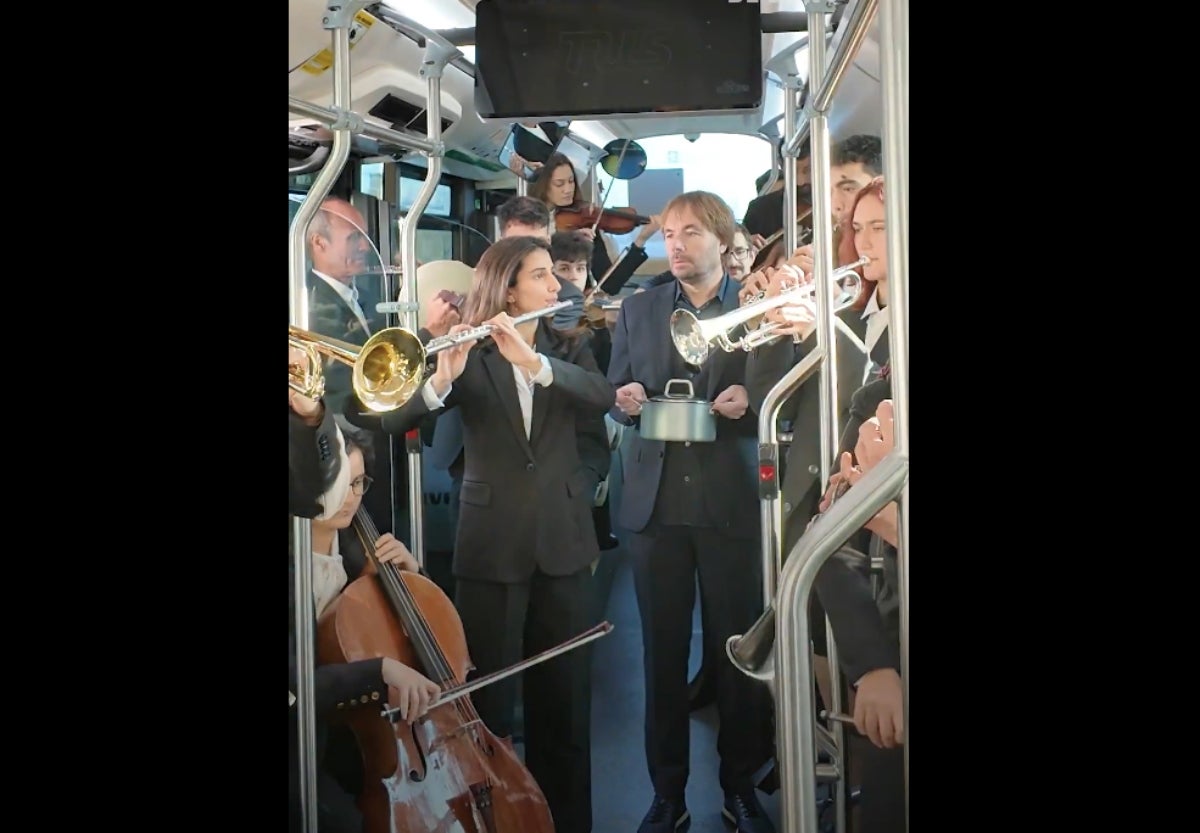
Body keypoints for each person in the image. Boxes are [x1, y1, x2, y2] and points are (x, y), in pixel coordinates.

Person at [347, 234, 615, 833]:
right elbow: (386, 418)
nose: (556, 285)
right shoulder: (468, 347)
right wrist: (441, 379)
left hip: (564, 542)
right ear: (509, 289)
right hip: (491, 545)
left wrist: (537, 366)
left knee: (567, 709)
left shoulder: (570, 344)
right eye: (541, 275)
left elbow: (602, 399)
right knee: (485, 707)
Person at [607, 190, 775, 833]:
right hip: (656, 505)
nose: (675, 246)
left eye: (690, 234)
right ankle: (667, 794)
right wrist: (625, 399)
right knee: (662, 655)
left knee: (736, 653)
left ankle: (740, 785)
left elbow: (780, 389)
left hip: (729, 499)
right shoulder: (640, 308)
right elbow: (619, 389)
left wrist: (751, 399)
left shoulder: (755, 306)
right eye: (669, 235)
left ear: (723, 242)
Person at [288, 373, 441, 833]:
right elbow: (298, 687)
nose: (348, 499)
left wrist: (412, 579)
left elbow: (431, 646)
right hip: (301, 739)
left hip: (358, 733)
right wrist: (380, 671)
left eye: (357, 484)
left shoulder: (361, 553)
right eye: (337, 484)